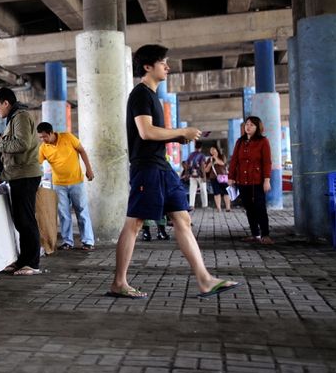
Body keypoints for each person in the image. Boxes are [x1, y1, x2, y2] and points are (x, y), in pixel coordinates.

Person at [108, 44, 239, 299]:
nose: (167, 66)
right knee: (134, 223)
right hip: (147, 168)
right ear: (148, 67)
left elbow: (153, 134)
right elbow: (146, 132)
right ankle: (119, 283)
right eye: (163, 62)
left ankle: (205, 280)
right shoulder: (141, 95)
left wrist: (176, 139)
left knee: (183, 219)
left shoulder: (152, 96)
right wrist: (181, 132)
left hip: (161, 167)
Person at [0, 87, 42, 276]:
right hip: (17, 175)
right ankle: (23, 260)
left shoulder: (20, 116)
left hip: (25, 175)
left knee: (26, 220)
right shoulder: (13, 118)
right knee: (21, 220)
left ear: (6, 103)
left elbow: (22, 144)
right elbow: (11, 147)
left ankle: (32, 263)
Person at [36, 122, 96, 251]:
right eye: (40, 137)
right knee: (63, 214)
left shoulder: (68, 137)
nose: (43, 140)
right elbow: (37, 164)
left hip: (76, 182)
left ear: (52, 133)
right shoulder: (43, 148)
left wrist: (89, 170)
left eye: (45, 136)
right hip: (58, 185)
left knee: (82, 211)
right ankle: (67, 241)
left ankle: (88, 241)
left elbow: (82, 151)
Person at [229, 116, 273, 244]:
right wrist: (231, 177)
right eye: (247, 124)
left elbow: (267, 162)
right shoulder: (240, 142)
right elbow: (234, 161)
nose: (248, 127)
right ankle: (255, 235)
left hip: (257, 181)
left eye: (251, 125)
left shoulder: (263, 141)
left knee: (260, 207)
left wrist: (267, 180)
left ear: (257, 127)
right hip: (242, 181)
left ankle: (265, 235)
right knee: (249, 208)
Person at [205, 145, 232, 212]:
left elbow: (222, 163)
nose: (213, 151)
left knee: (226, 192)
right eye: (211, 150)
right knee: (216, 192)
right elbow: (206, 170)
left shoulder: (222, 156)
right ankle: (218, 208)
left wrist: (216, 158)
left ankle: (228, 207)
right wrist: (209, 165)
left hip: (223, 177)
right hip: (213, 177)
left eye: (214, 150)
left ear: (217, 150)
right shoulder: (209, 159)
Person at [186, 141, 209, 210]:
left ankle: (191, 205)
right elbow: (202, 166)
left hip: (192, 174)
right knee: (203, 190)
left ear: (195, 147)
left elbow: (187, 165)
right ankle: (205, 205)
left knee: (192, 190)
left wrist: (187, 173)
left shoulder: (190, 155)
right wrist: (204, 176)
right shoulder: (202, 155)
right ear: (201, 148)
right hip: (200, 175)